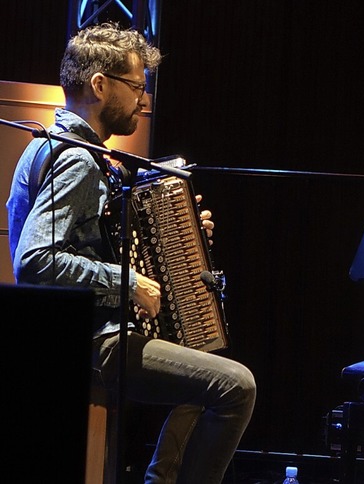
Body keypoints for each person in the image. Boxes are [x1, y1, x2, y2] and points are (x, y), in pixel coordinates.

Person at [6, 22, 256, 483]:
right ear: (99, 85)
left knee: (207, 355)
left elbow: (94, 236)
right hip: (93, 338)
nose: (144, 100)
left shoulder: (51, 147)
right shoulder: (77, 157)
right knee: (236, 386)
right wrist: (127, 280)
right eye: (136, 87)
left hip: (94, 329)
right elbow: (35, 260)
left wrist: (177, 229)